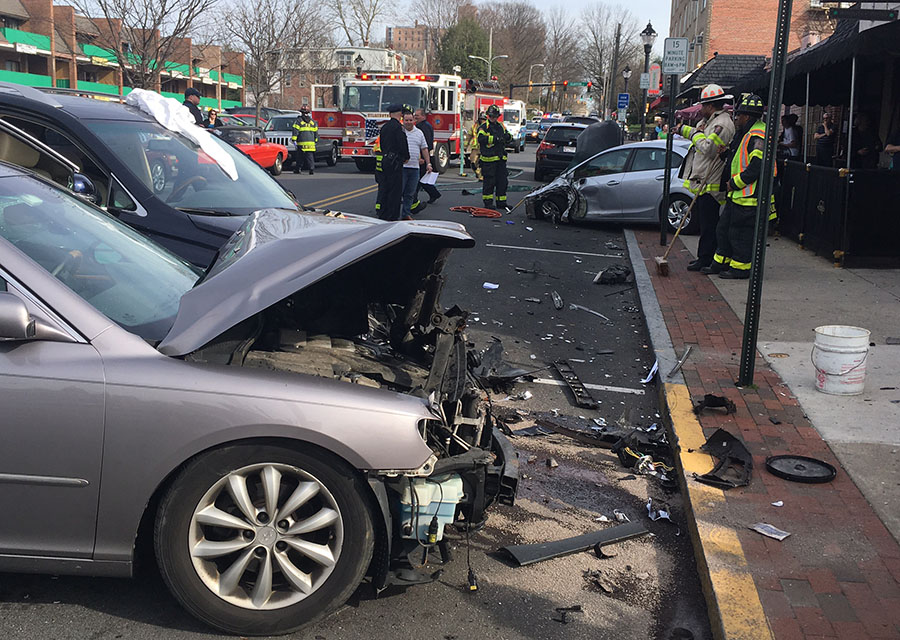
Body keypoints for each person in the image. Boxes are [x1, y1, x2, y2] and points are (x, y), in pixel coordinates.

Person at [702, 94, 776, 280]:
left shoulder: (758, 135)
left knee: (740, 235)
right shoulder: (746, 133)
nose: (735, 119)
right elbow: (740, 159)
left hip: (749, 197)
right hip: (737, 196)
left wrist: (734, 183)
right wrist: (726, 154)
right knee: (724, 230)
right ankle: (720, 263)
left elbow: (756, 167)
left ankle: (740, 268)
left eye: (738, 116)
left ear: (747, 116)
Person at [675, 84, 736, 272]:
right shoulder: (711, 122)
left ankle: (707, 259)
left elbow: (708, 149)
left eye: (703, 106)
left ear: (710, 106)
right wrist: (692, 130)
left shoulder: (722, 125)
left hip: (712, 183)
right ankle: (704, 257)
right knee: (705, 224)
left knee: (710, 225)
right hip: (703, 181)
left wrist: (694, 133)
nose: (701, 109)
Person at [375, 104, 410, 221]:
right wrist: (406, 156)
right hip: (395, 162)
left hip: (385, 160)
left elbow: (383, 144)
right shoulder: (398, 128)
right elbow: (402, 145)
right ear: (400, 114)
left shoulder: (385, 127)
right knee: (395, 190)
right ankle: (393, 215)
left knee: (385, 187)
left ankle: (383, 212)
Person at [477, 104, 512, 211]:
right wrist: (495, 139)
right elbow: (481, 139)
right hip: (488, 161)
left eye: (495, 117)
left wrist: (507, 137)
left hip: (500, 160)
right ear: (488, 116)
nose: (493, 118)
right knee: (489, 183)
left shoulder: (501, 126)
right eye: (491, 116)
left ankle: (501, 202)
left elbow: (509, 136)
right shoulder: (483, 127)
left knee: (502, 182)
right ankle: (488, 203)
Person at [401, 108, 431, 220]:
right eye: (406, 120)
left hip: (414, 168)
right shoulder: (400, 132)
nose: (408, 122)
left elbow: (424, 149)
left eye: (410, 120)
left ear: (414, 120)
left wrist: (428, 164)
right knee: (400, 192)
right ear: (403, 120)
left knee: (410, 193)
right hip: (402, 167)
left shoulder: (419, 133)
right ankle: (393, 214)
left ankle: (406, 214)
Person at [412, 108, 441, 210]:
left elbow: (426, 144)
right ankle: (433, 194)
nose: (415, 117)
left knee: (418, 179)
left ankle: (412, 198)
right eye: (415, 115)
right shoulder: (423, 126)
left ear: (423, 116)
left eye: (417, 115)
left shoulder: (423, 127)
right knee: (421, 179)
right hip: (422, 156)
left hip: (423, 157)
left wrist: (423, 157)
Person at [291, 107, 319, 175]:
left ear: (301, 112)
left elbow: (295, 131)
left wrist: (294, 139)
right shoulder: (313, 122)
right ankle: (311, 169)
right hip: (311, 144)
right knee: (310, 157)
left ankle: (298, 169)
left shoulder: (299, 121)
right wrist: (315, 140)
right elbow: (316, 132)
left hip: (301, 143)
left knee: (300, 157)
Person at [467, 113, 486, 180]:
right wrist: (465, 145)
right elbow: (469, 136)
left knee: (482, 163)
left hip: (484, 148)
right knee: (473, 163)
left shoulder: (488, 127)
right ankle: (478, 172)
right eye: (481, 119)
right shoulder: (474, 126)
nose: (482, 121)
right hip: (475, 148)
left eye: (484, 119)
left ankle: (481, 176)